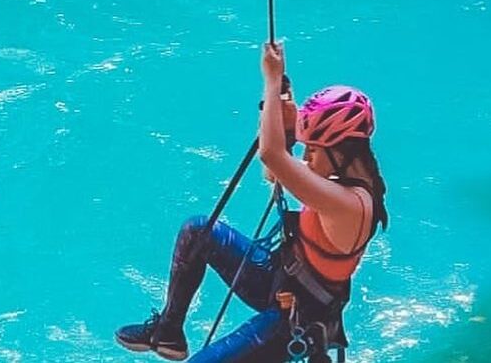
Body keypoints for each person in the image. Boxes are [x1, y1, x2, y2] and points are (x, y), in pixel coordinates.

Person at [115, 43, 388, 361]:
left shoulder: (351, 205)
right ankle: (168, 333)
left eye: (313, 149)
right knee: (198, 232)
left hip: (294, 320)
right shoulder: (337, 184)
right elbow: (274, 173)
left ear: (341, 152)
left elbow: (272, 158)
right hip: (278, 278)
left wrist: (272, 83)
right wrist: (284, 116)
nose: (307, 156)